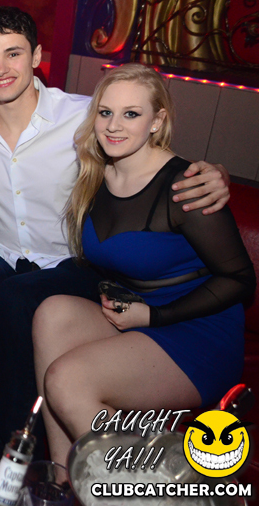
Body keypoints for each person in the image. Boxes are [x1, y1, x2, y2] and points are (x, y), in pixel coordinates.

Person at [0, 6, 232, 460]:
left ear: (36, 56)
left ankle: (20, 454)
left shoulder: (81, 115)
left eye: (13, 53)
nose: (1, 68)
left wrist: (214, 173)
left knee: (17, 299)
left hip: (69, 259)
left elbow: (148, 153)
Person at [32, 63, 255, 464]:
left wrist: (154, 316)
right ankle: (63, 476)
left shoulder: (187, 186)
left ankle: (130, 487)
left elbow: (240, 279)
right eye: (105, 112)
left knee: (67, 379)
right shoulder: (94, 172)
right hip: (135, 316)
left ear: (157, 121)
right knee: (51, 313)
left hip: (196, 332)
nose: (114, 126)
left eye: (131, 114)